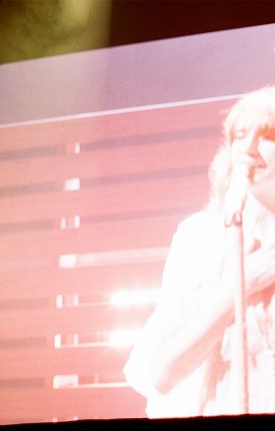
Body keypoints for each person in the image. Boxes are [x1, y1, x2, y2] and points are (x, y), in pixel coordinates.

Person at [123, 86, 275, 417]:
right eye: (240, 135)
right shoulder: (198, 239)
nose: (249, 148)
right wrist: (237, 290)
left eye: (268, 135)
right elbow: (162, 373)